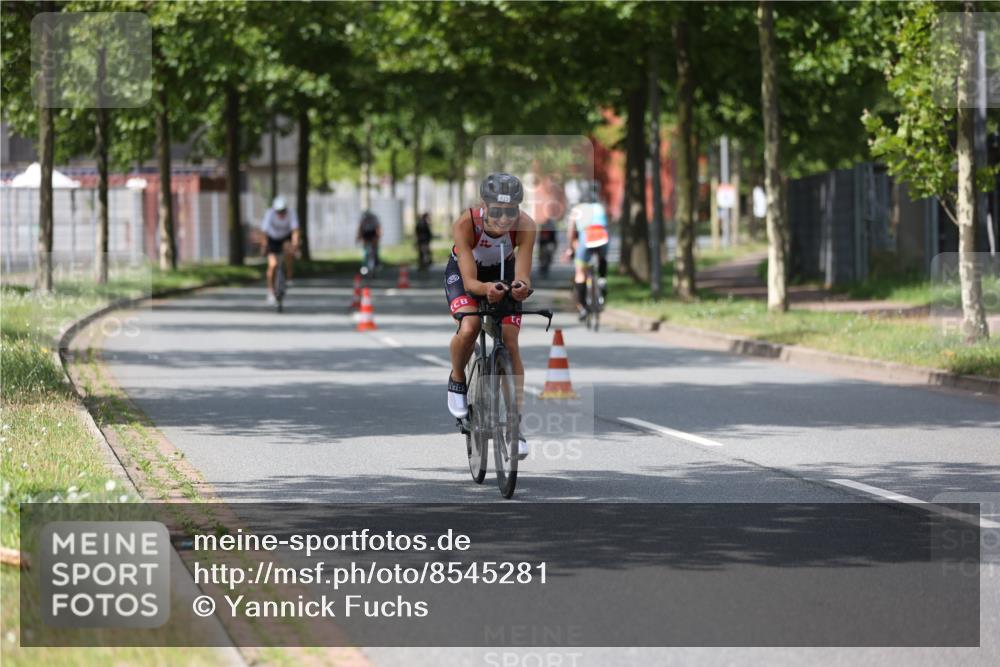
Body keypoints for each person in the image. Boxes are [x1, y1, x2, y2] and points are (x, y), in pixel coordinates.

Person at [445, 173, 536, 459]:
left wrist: (521, 288)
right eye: (497, 211)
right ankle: (457, 378)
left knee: (510, 339)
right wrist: (486, 290)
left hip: (502, 271)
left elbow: (522, 274)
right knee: (470, 325)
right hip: (466, 274)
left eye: (511, 211)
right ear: (484, 206)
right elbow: (471, 282)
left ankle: (514, 427)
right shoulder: (465, 223)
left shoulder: (526, 226)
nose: (504, 219)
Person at [564, 184, 610, 319]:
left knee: (580, 272)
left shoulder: (577, 210)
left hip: (587, 238)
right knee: (602, 258)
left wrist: (570, 248)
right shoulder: (600, 207)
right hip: (602, 236)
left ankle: (583, 307)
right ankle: (602, 279)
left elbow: (571, 232)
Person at [260, 196, 300, 303]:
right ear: (274, 210)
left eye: (283, 211)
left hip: (285, 237)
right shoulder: (269, 213)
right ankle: (270, 291)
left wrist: (295, 244)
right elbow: (264, 232)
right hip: (272, 239)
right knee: (272, 265)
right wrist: (264, 246)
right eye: (278, 211)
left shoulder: (291, 213)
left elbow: (295, 230)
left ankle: (288, 276)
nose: (281, 213)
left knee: (289, 252)